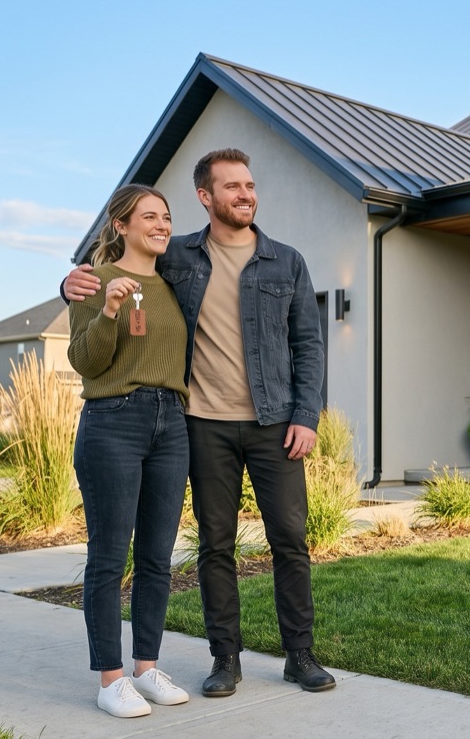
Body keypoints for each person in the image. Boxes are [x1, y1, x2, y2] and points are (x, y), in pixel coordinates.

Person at [64, 149, 333, 697]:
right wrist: (67, 284)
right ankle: (224, 659)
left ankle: (300, 655)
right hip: (201, 423)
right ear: (206, 197)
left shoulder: (286, 261)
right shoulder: (179, 256)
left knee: (290, 539)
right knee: (215, 544)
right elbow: (119, 269)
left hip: (274, 422)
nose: (245, 194)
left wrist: (306, 416)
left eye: (249, 185)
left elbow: (308, 343)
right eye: (232, 187)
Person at [66, 184, 192, 718]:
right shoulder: (94, 282)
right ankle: (110, 679)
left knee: (158, 556)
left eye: (166, 217)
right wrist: (110, 310)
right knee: (109, 556)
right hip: (113, 420)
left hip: (172, 423)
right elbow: (85, 362)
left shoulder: (174, 282)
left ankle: (145, 668)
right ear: (121, 224)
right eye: (149, 217)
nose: (162, 225)